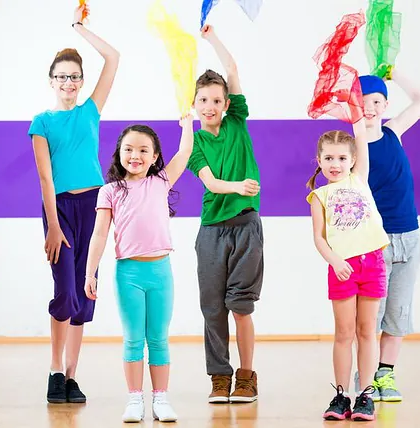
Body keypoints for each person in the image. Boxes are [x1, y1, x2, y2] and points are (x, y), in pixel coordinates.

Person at [28, 3, 119, 404]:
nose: (68, 82)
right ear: (51, 80)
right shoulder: (42, 123)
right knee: (64, 291)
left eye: (74, 77)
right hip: (60, 210)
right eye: (62, 76)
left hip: (96, 208)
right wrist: (52, 224)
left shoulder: (90, 110)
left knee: (84, 295)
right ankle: (53, 369)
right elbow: (46, 177)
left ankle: (70, 376)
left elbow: (114, 58)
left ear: (81, 82)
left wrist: (81, 30)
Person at [84, 116, 194, 422]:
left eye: (144, 150)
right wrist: (90, 272)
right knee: (133, 338)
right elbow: (100, 234)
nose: (136, 156)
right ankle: (134, 399)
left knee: (158, 338)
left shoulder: (160, 182)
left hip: (160, 272)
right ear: (119, 152)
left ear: (155, 156)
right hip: (128, 274)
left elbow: (184, 154)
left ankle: (161, 398)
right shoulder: (109, 191)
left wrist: (188, 123)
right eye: (129, 149)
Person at [186, 24, 263, 404]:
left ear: (227, 104)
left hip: (246, 227)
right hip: (212, 231)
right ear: (195, 103)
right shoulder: (193, 143)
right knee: (213, 308)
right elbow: (211, 183)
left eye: (217, 100)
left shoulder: (237, 121)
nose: (211, 106)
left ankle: (247, 376)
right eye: (204, 100)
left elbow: (232, 68)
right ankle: (220, 376)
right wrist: (238, 186)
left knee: (240, 305)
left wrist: (212, 37)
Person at [307, 118, 389, 421]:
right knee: (344, 332)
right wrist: (336, 261)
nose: (335, 164)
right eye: (328, 158)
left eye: (342, 158)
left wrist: (354, 112)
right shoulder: (319, 196)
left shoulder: (360, 179)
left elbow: (361, 137)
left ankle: (365, 393)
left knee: (368, 330)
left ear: (353, 160)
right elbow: (319, 237)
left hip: (372, 265)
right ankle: (341, 395)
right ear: (319, 160)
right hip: (342, 268)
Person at [353, 69, 420, 402]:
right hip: (374, 241)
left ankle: (386, 374)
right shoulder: (353, 144)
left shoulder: (393, 132)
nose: (370, 107)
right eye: (364, 101)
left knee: (398, 312)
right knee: (372, 314)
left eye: (377, 101)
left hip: (409, 237)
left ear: (385, 105)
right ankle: (366, 375)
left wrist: (395, 73)